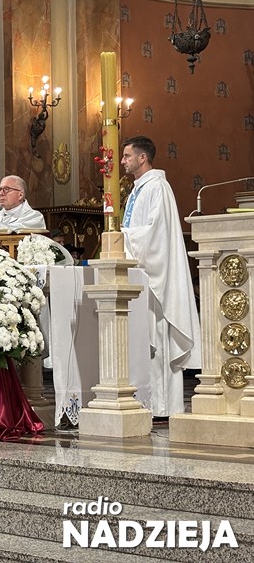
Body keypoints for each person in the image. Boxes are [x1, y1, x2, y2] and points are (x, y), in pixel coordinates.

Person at [120, 135, 201, 419]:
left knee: (158, 337)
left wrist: (121, 237)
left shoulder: (158, 187)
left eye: (127, 156)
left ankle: (163, 405)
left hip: (157, 279)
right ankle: (148, 401)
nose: (122, 161)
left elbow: (156, 235)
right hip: (140, 275)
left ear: (142, 157)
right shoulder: (136, 190)